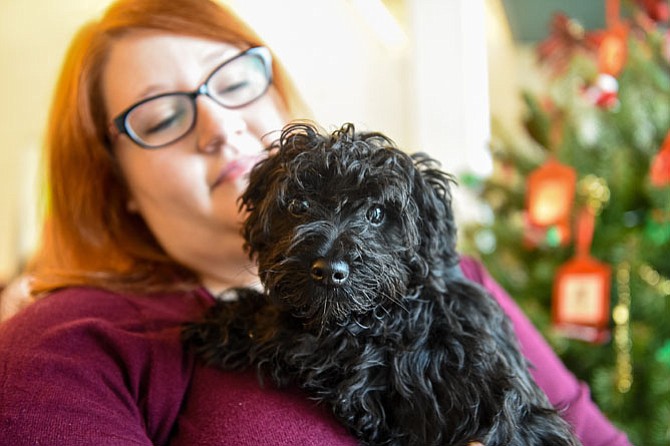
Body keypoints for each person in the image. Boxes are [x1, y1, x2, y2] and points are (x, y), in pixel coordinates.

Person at [0, 0, 631, 445]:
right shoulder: (66, 341)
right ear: (114, 183)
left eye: (237, 80)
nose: (222, 127)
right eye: (162, 118)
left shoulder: (450, 279)